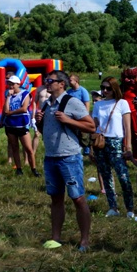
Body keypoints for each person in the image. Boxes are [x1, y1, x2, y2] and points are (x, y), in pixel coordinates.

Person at [36, 71, 96, 251]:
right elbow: (46, 130)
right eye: (46, 80)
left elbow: (91, 126)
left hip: (69, 157)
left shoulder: (72, 102)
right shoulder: (47, 104)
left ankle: (84, 240)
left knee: (77, 198)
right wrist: (39, 122)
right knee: (56, 198)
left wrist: (68, 120)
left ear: (61, 84)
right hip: (51, 157)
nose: (47, 83)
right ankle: (56, 238)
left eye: (50, 80)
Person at [93, 76, 135, 218]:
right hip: (101, 141)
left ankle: (130, 209)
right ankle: (113, 207)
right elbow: (94, 125)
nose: (105, 91)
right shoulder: (98, 105)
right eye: (103, 88)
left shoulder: (122, 103)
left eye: (108, 88)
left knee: (123, 176)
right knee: (106, 176)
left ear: (114, 88)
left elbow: (127, 127)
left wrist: (128, 147)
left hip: (116, 141)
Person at [4, 75, 39, 177]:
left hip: (21, 124)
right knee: (14, 147)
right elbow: (5, 110)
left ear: (18, 84)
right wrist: (8, 97)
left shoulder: (25, 94)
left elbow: (24, 109)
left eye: (12, 84)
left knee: (28, 149)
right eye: (9, 84)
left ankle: (34, 169)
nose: (10, 86)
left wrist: (11, 113)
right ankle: (19, 169)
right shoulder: (8, 95)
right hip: (11, 125)